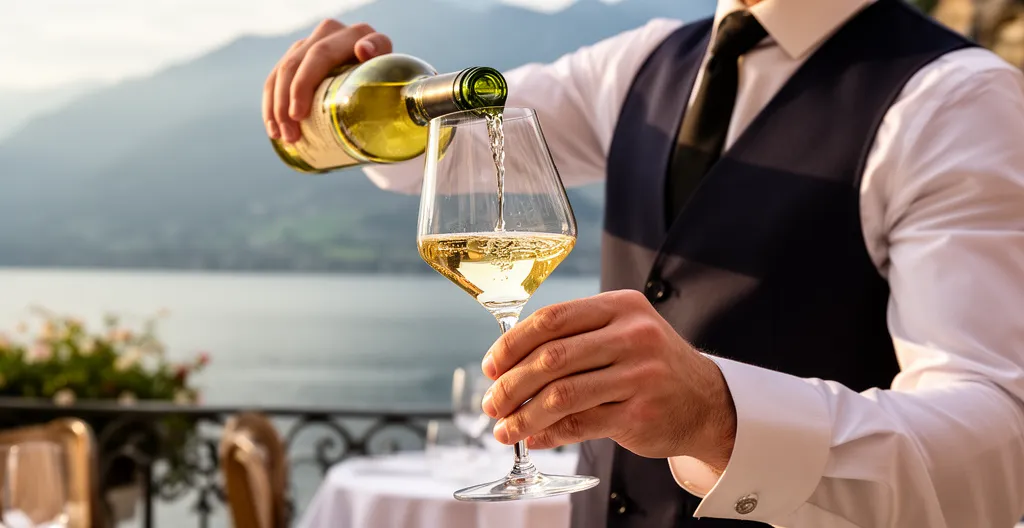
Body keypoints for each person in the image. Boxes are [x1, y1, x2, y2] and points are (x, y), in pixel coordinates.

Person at [262, 0, 1024, 526]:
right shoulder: (643, 64)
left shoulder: (957, 99)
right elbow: (438, 143)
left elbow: (998, 442)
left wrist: (721, 416)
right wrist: (340, 100)